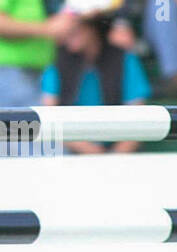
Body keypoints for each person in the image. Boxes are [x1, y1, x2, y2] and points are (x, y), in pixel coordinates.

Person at [39, 16, 150, 154]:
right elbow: (49, 118)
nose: (68, 29)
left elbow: (138, 119)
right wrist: (93, 152)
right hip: (72, 152)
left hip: (119, 153)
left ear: (92, 26)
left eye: (75, 24)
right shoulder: (56, 62)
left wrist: (114, 159)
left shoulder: (124, 59)